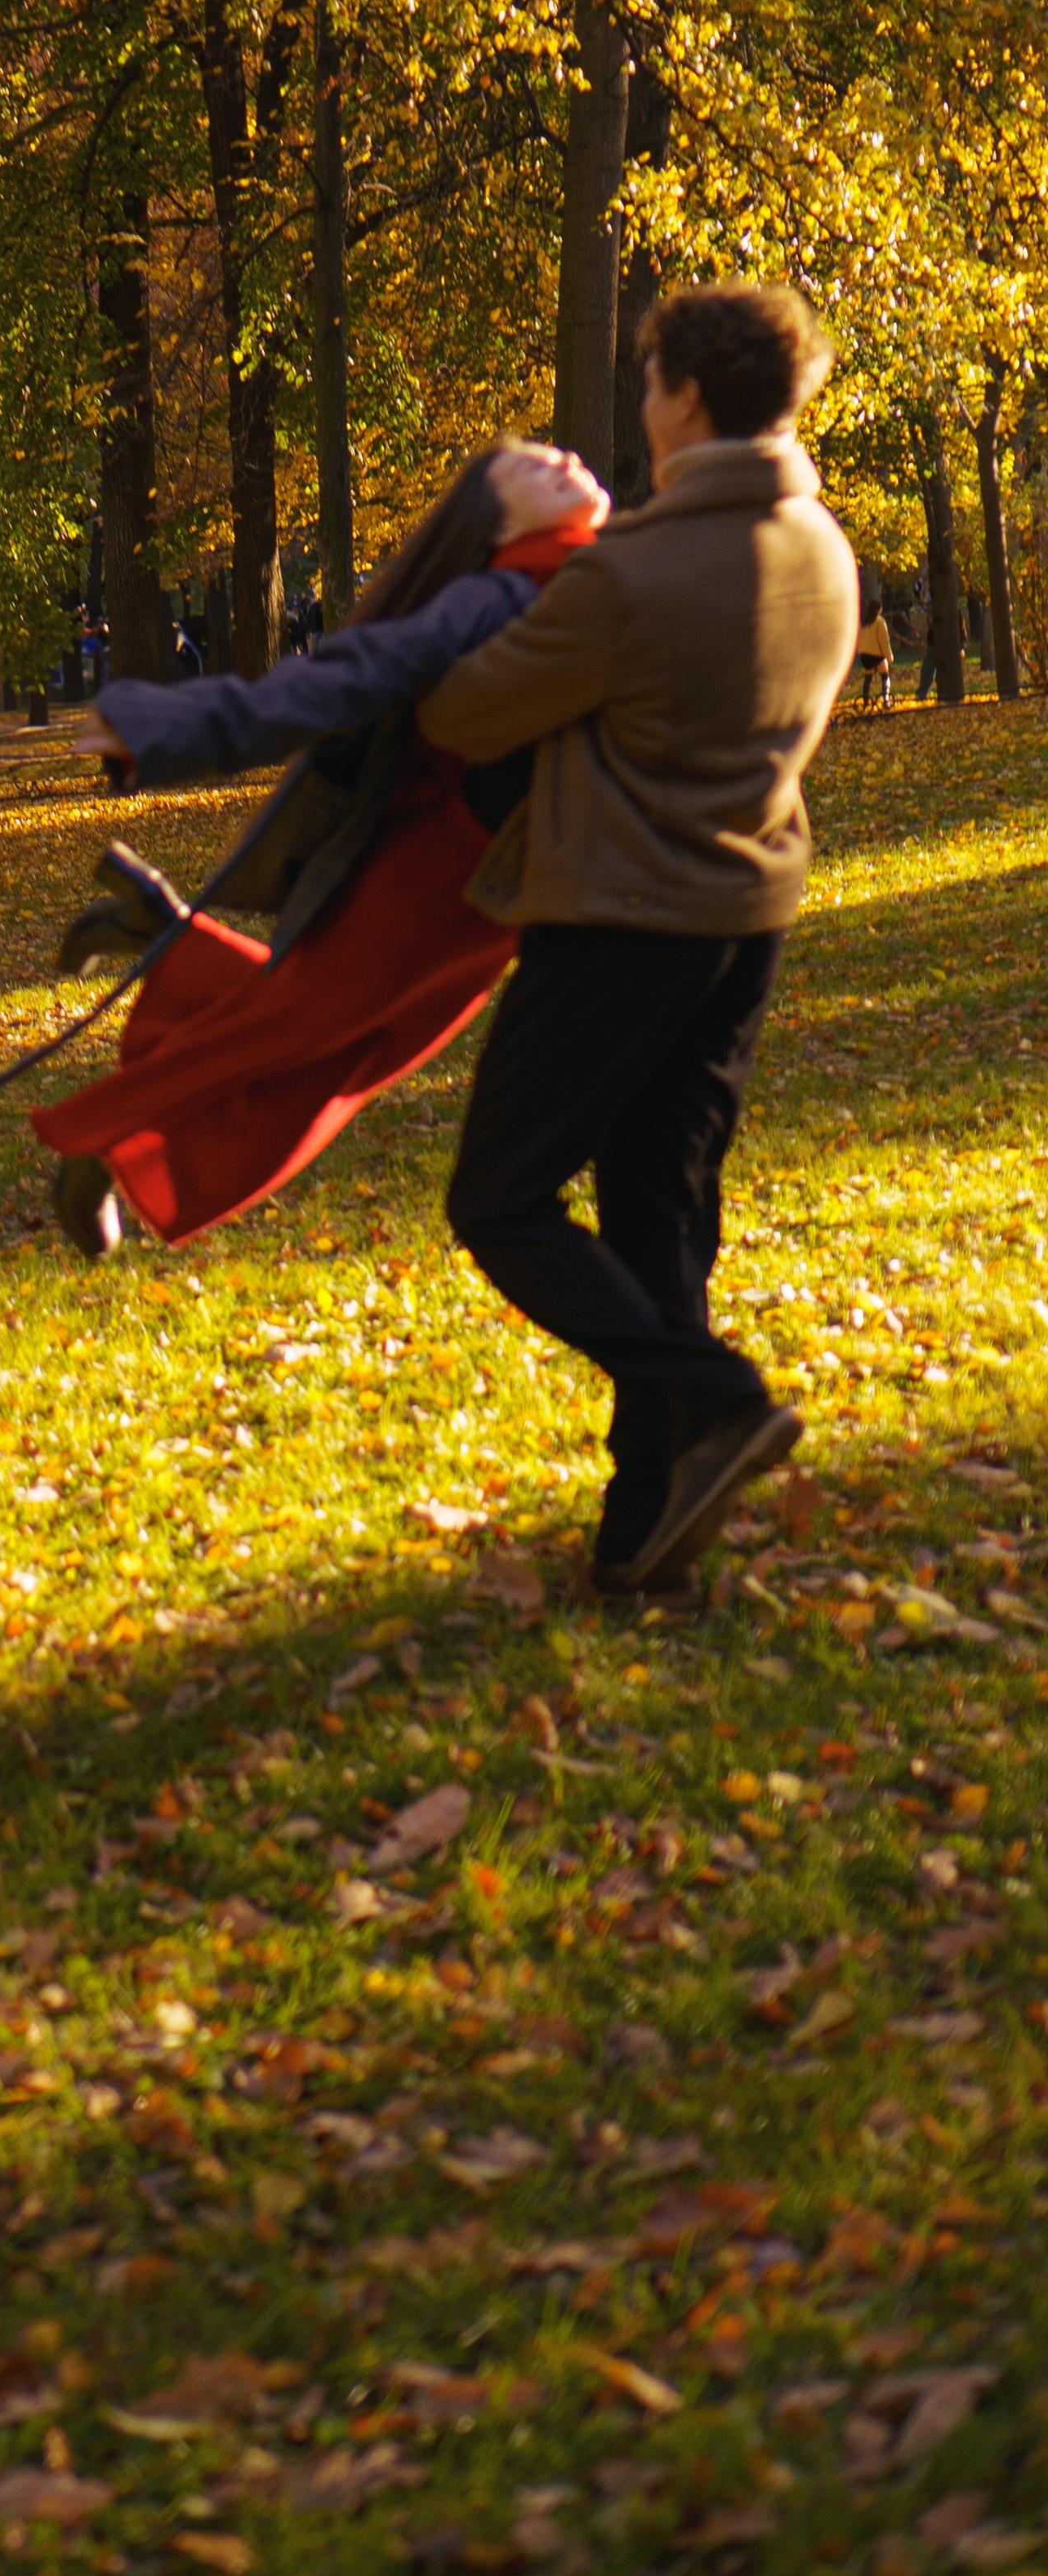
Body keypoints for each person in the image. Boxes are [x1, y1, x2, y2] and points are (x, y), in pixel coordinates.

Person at [419, 282, 858, 1600]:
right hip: (746, 918)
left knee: (499, 1197)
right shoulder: (823, 549)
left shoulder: (635, 573)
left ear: (685, 398)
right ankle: (645, 1526)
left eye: (651, 379)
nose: (643, 400)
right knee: (658, 1211)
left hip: (618, 920)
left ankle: (713, 1398)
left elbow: (465, 714)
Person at [33, 440, 605, 1257]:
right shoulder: (504, 591)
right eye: (531, 468)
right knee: (300, 1040)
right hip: (438, 877)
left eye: (562, 457)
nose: (564, 463)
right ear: (496, 517)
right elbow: (351, 674)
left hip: (493, 888)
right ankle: (99, 1136)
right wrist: (174, 726)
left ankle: (156, 934)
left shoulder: (601, 578)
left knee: (331, 1045)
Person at [855, 602, 893, 710]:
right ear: (879, 609)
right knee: (885, 676)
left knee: (868, 677)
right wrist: (889, 656)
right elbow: (884, 641)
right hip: (877, 655)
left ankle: (866, 700)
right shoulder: (880, 622)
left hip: (865, 655)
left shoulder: (864, 622)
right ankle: (886, 699)